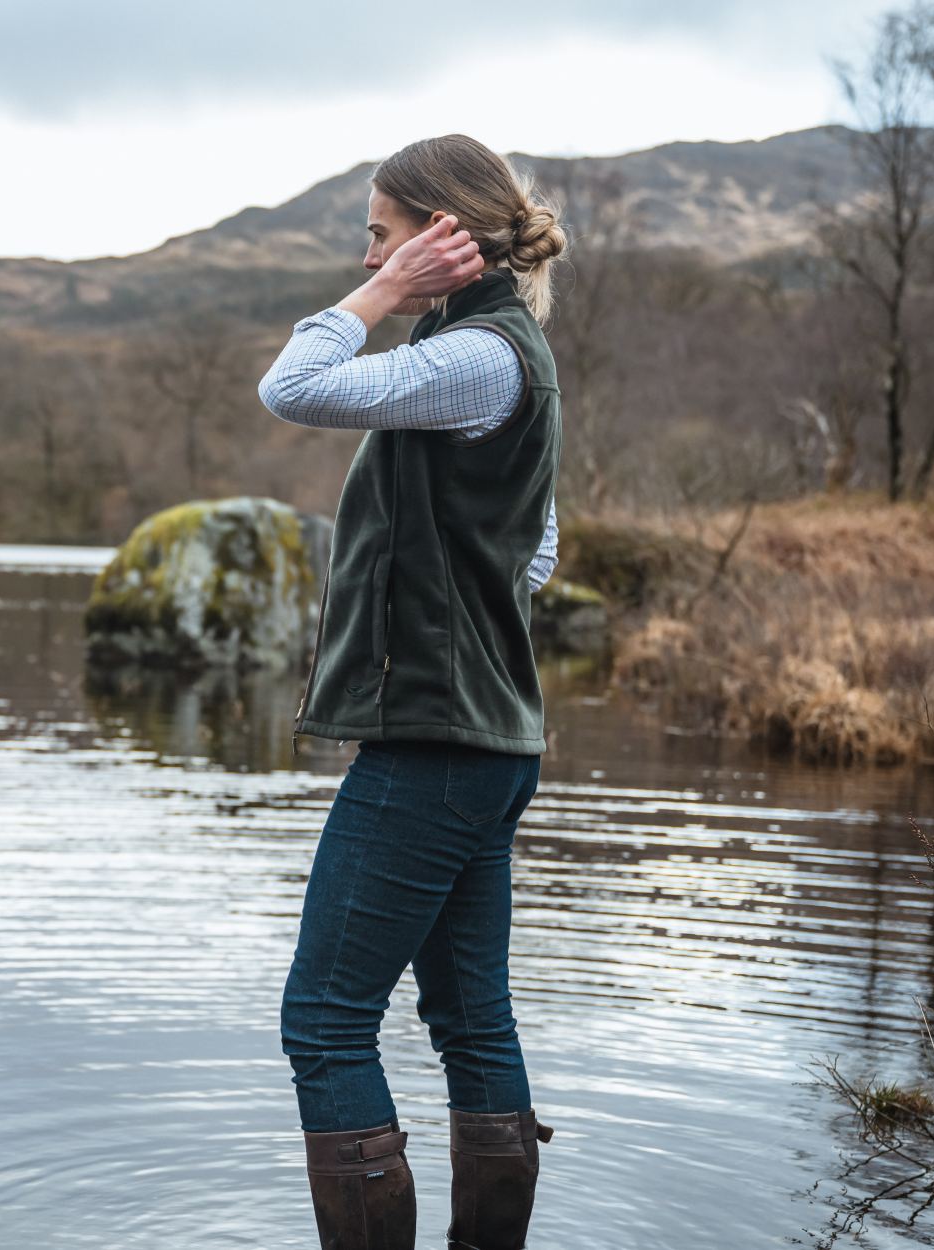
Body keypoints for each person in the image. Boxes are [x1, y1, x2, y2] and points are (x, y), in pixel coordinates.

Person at [258, 133, 567, 1250]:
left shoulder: (472, 357)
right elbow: (530, 555)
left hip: (435, 745)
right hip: (487, 741)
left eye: (381, 236)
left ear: (445, 238)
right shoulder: (498, 358)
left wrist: (380, 292)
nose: (372, 256)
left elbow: (291, 384)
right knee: (469, 1016)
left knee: (325, 1022)